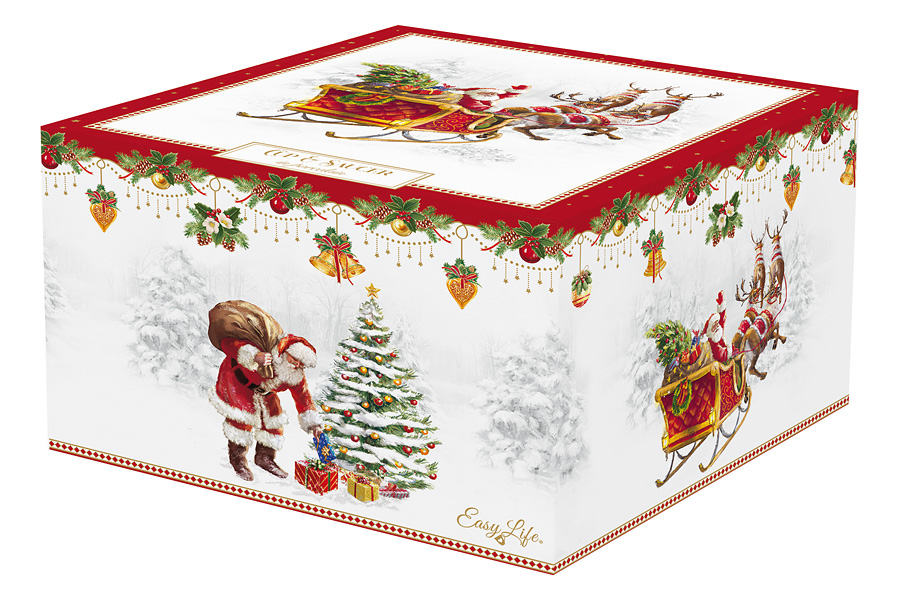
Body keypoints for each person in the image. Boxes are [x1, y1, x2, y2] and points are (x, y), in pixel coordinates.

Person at [210, 333, 322, 481]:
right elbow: (227, 342)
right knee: (242, 418)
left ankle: (264, 458)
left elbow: (303, 396)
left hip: (264, 391)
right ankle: (238, 459)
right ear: (284, 353)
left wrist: (314, 425)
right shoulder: (265, 348)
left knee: (274, 417)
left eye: (301, 364)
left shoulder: (295, 374)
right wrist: (253, 356)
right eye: (294, 360)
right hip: (238, 382)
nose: (296, 366)